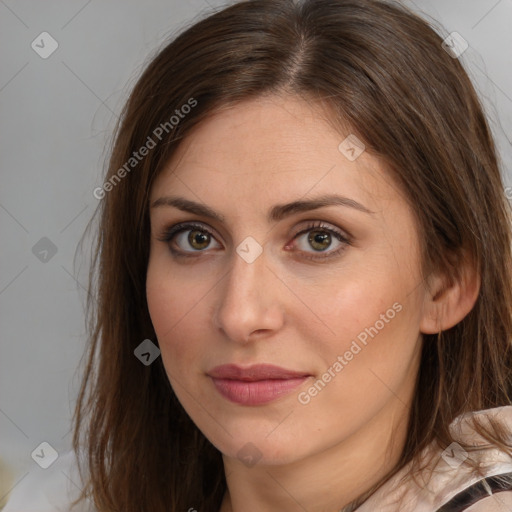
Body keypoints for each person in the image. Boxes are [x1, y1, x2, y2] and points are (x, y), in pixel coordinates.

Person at [5, 0, 512, 510]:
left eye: (319, 239)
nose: (239, 315)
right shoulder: (62, 500)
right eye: (195, 238)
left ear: (447, 283)